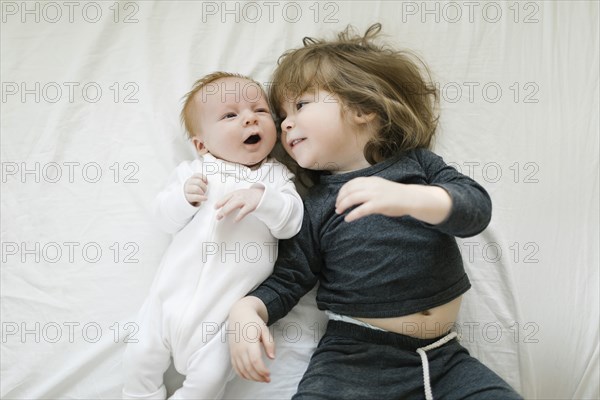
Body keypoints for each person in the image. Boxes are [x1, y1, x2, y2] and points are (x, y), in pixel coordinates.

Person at [228, 24, 523, 400]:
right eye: (282, 113)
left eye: (300, 105)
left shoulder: (418, 167)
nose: (285, 122)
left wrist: (411, 199)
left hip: (447, 360)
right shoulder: (314, 205)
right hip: (355, 361)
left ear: (364, 108)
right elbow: (289, 279)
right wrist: (246, 311)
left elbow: (476, 209)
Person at [122, 72, 306, 399]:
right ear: (201, 144)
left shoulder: (275, 177)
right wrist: (182, 199)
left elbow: (290, 221)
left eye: (260, 111)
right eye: (230, 115)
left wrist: (262, 199)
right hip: (166, 302)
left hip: (223, 318)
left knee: (208, 382)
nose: (250, 118)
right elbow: (162, 216)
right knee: (138, 359)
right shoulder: (194, 172)